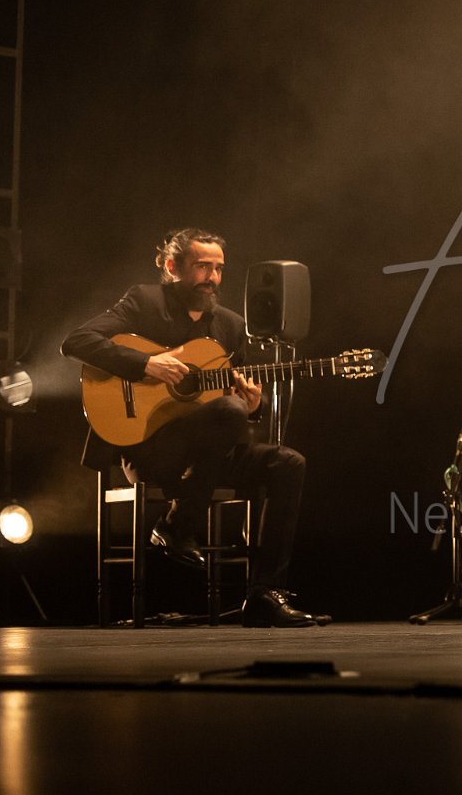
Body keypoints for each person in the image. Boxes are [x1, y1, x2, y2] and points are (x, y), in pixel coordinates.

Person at [63, 228, 327, 628]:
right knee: (229, 411)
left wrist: (252, 406)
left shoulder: (231, 326)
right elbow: (76, 341)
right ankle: (178, 525)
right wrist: (146, 363)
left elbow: (229, 403)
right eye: (202, 267)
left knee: (288, 463)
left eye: (218, 269)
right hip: (152, 448)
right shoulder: (144, 302)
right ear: (173, 267)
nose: (212, 278)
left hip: (207, 459)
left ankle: (262, 594)